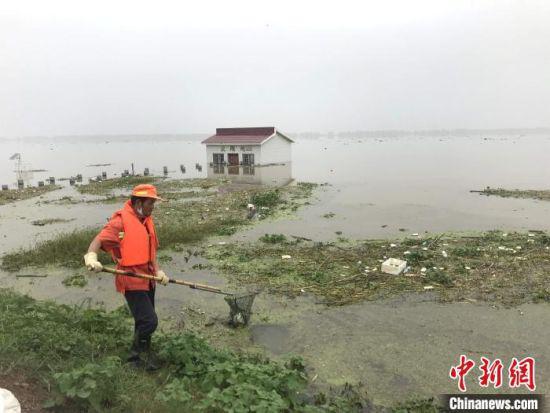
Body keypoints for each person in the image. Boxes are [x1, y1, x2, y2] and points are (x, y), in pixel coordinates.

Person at [83, 183, 169, 370]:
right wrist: (91, 257)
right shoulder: (120, 222)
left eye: (154, 203)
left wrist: (158, 271)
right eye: (150, 203)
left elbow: (151, 251)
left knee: (142, 321)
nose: (153, 207)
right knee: (149, 321)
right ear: (138, 202)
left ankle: (141, 358)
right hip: (131, 279)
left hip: (148, 280)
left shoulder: (146, 221)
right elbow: (98, 240)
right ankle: (134, 358)